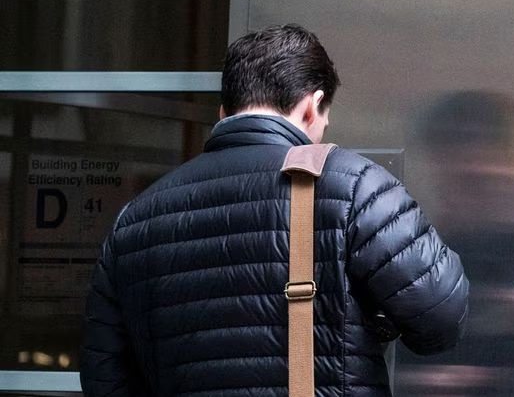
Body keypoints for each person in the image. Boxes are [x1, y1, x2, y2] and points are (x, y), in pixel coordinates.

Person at [79, 24, 469, 396]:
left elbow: (105, 379)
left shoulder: (134, 219)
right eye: (325, 123)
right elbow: (441, 317)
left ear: (223, 112)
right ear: (312, 108)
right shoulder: (353, 186)